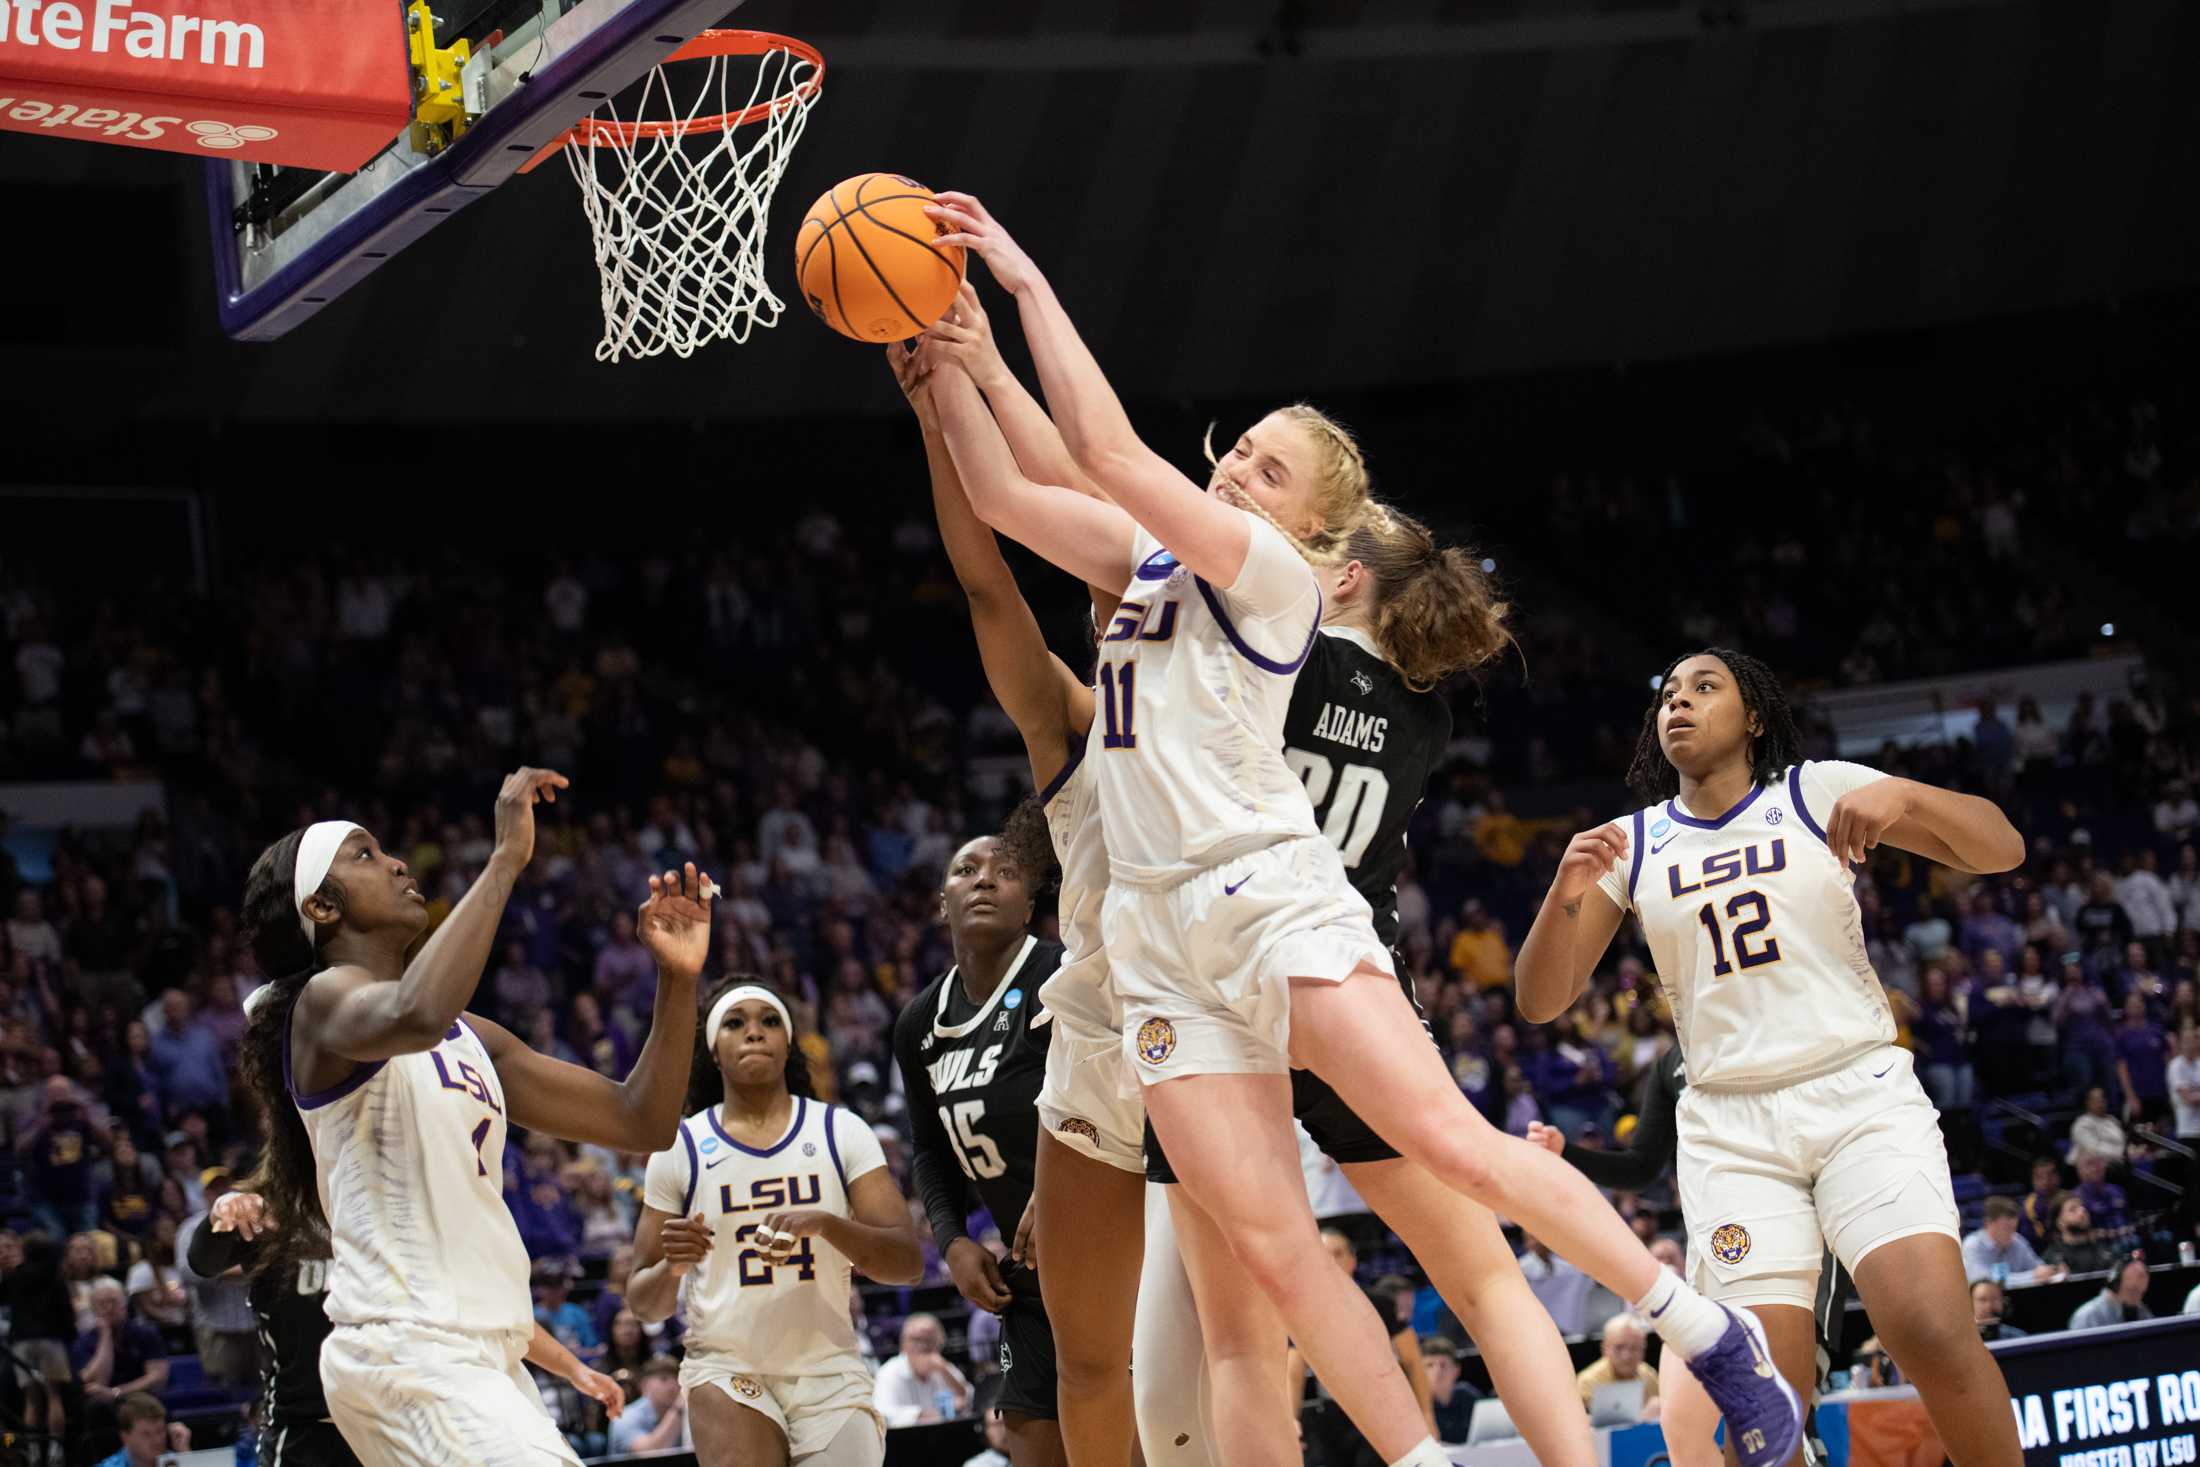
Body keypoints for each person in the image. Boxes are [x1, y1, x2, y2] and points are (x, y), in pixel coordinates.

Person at [924, 197, 1798, 1467]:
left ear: (1313, 532)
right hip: (1155, 940)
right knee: (1275, 1253)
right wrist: (944, 357)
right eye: (1236, 455)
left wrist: (1013, 285)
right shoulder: (1146, 565)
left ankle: (1704, 1330)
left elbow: (1106, 452)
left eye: (1265, 470)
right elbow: (1006, 492)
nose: (1233, 473)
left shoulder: (1266, 582)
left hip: (1269, 895)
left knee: (1453, 1147)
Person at [1516, 648, 2029, 1467]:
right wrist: (1564, 889)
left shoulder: (1813, 789)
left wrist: (1900, 791)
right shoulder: (1634, 844)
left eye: (1704, 687)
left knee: (1930, 1328)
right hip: (1731, 1128)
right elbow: (1540, 999)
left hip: (1857, 1092)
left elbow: (2002, 848)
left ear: (1754, 717)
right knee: (1771, 1403)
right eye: (1668, 695)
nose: (1678, 702)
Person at [234, 770, 712, 1467]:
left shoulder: (470, 1035)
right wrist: (503, 860)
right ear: (322, 905)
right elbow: (414, 1011)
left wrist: (678, 979)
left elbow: (641, 1119)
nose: (397, 861)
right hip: (407, 1346)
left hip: (487, 1352)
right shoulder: (320, 1004)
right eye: (364, 854)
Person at [890, 314, 1141, 1465]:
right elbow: (991, 591)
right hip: (1112, 1043)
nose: (1106, 596)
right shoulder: (1075, 730)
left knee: (1200, 1358)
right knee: (1049, 1407)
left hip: (1192, 1034)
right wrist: (942, 414)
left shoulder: (1232, 685)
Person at [627, 979, 922, 1467]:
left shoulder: (839, 1130)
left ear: (789, 1042)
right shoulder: (680, 1147)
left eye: (768, 1022)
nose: (754, 1033)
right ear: (713, 1051)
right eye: (735, 1023)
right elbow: (643, 1302)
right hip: (726, 1365)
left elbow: (907, 1264)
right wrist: (672, 1267)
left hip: (829, 1368)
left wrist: (828, 1225)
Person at [206, 1186, 624, 1467]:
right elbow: (202, 1260)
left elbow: (496, 1312)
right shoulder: (274, 1216)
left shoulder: (403, 1218)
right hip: (308, 1430)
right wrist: (222, 1209)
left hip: (398, 1424)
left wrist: (573, 1368)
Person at [889, 826, 1069, 1466]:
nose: (985, 878)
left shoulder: (1065, 975)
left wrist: (1064, 1199)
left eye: (1005, 870)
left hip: (1120, 1252)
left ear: (1030, 904)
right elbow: (930, 1149)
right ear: (943, 901)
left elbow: (1126, 1105)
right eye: (966, 869)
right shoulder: (920, 1022)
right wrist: (952, 1239)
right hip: (1025, 1282)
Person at [174, 1169, 260, 1387]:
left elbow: (269, 1263)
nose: (221, 1192)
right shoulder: (191, 1228)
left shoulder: (253, 1224)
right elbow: (186, 1272)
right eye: (214, 1189)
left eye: (225, 1186)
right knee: (223, 1388)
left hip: (254, 1324)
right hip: (217, 1327)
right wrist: (232, 1272)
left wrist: (225, 1271)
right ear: (205, 1194)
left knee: (263, 1388)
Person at [873, 1314, 974, 1427]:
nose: (922, 1346)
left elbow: (969, 1398)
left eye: (929, 1340)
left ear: (940, 1343)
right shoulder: (889, 1373)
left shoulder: (944, 1367)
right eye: (915, 1340)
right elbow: (884, 1415)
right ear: (903, 1344)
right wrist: (931, 1414)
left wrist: (945, 1372)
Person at [1574, 1314, 1659, 1417]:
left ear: (1644, 1349)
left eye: (1634, 1348)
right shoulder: (1587, 1381)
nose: (1626, 1356)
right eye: (1619, 1347)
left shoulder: (1649, 1375)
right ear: (1604, 1348)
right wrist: (1643, 1417)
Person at [1960, 1198, 2057, 1284]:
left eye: (2014, 1228)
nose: (2011, 1234)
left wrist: (2052, 1271)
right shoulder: (1972, 1245)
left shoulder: (2017, 1240)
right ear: (1988, 1223)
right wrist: (2032, 1276)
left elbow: (2038, 1267)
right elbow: (1985, 1281)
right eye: (2006, 1228)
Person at [606, 1357, 686, 1455]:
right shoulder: (624, 1417)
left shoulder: (686, 1413)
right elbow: (649, 1454)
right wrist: (677, 1408)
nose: (673, 1385)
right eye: (663, 1379)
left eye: (677, 1379)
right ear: (644, 1385)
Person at [94, 1391, 190, 1467]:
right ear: (125, 1438)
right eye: (146, 1434)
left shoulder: (179, 1460)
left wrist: (185, 1456)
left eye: (160, 1431)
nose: (157, 1440)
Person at [1416, 1337, 1482, 1446]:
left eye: (1443, 1365)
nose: (1437, 1371)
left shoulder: (1468, 1395)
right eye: (1430, 1365)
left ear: (1456, 1370)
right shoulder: (1417, 1405)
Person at [2038, 1195, 2119, 1276]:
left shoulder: (2104, 1250)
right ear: (2059, 1222)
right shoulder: (2052, 1257)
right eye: (2073, 1209)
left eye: (2082, 1207)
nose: (2082, 1210)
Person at [2067, 1257, 2154, 1330]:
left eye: (2141, 1293)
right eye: (2132, 1291)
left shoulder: (2141, 1311)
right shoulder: (2087, 1317)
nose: (2137, 1299)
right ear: (2115, 1285)